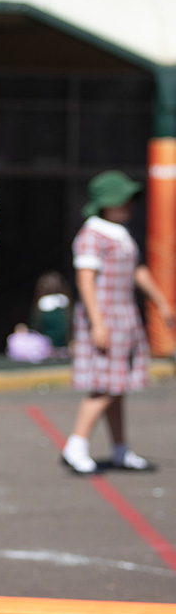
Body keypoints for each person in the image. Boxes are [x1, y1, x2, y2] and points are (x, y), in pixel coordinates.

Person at [61, 170, 175, 474]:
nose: (129, 204)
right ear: (106, 202)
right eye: (123, 199)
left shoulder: (120, 232)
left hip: (124, 316)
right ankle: (77, 443)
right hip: (105, 316)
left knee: (117, 386)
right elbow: (85, 281)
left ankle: (120, 449)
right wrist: (98, 322)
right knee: (105, 386)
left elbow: (138, 271)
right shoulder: (92, 234)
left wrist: (162, 303)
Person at [30, 270, 72, 354]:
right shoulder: (65, 303)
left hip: (45, 348)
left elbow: (34, 327)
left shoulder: (42, 304)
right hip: (64, 346)